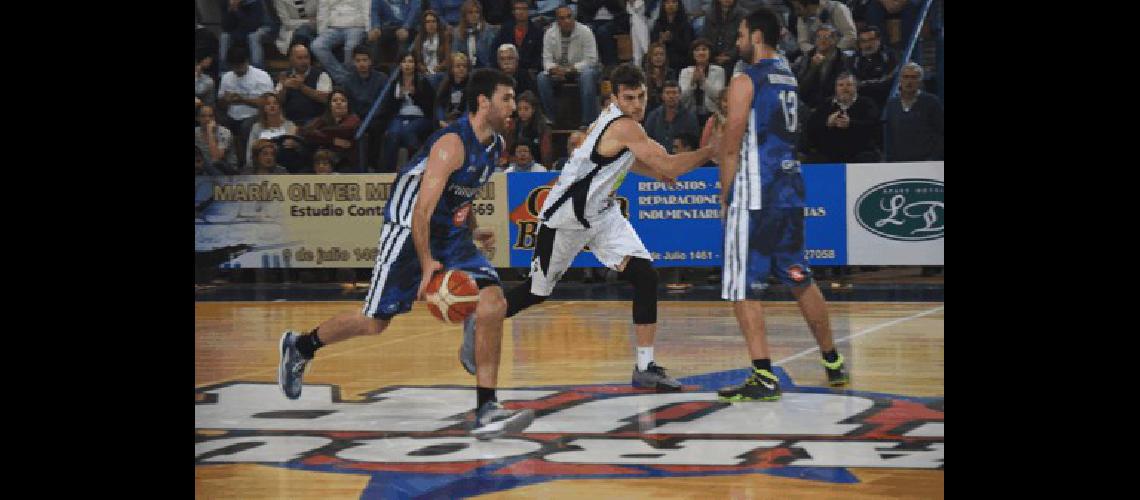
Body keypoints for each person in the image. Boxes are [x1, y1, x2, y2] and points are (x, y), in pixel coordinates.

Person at [277, 68, 533, 440]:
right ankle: (300, 346)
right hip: (407, 229)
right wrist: (427, 262)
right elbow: (422, 210)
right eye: (506, 98)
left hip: (452, 233)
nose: (513, 105)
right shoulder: (451, 144)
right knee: (374, 322)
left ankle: (486, 408)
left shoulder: (495, 146)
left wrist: (472, 229)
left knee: (493, 302)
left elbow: (464, 191)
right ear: (483, 101)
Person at [458, 63, 720, 392]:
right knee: (536, 292)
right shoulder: (625, 126)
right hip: (565, 219)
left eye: (641, 96)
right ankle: (481, 318)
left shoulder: (614, 119)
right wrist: (711, 151)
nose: (637, 104)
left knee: (645, 275)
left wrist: (658, 173)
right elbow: (668, 163)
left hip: (600, 215)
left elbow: (627, 160)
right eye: (629, 98)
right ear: (615, 98)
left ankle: (645, 366)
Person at [715, 7, 849, 403]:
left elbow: (731, 142)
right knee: (798, 275)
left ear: (757, 36)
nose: (738, 41)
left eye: (741, 33)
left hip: (756, 193)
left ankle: (763, 375)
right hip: (789, 188)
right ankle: (833, 361)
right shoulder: (787, 74)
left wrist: (726, 197)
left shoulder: (745, 79)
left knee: (742, 287)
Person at [377, 50, 437, 172]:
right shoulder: (394, 83)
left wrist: (415, 95)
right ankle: (388, 172)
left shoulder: (423, 81)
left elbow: (430, 106)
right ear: (400, 65)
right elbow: (388, 108)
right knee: (393, 134)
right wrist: (398, 99)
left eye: (410, 61)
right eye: (404, 62)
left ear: (415, 64)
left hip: (420, 117)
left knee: (407, 132)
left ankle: (419, 166)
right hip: (400, 117)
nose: (407, 65)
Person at [300, 88, 363, 172]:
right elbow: (306, 131)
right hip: (320, 160)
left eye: (343, 100)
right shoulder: (323, 119)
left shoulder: (353, 119)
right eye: (334, 100)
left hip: (343, 163)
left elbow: (343, 131)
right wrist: (333, 140)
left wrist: (320, 133)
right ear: (330, 105)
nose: (338, 103)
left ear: (348, 104)